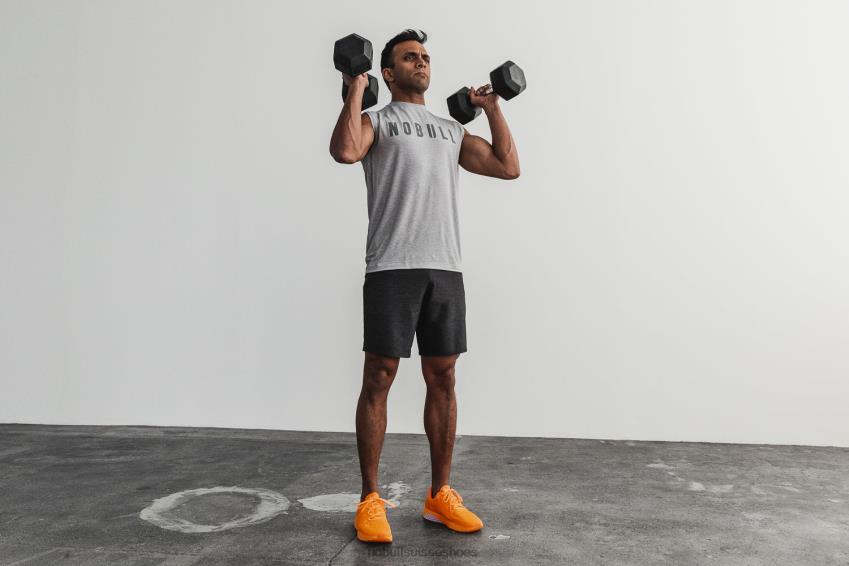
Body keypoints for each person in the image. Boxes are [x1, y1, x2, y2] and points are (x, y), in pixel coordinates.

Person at [328, 28, 520, 543]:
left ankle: (439, 495)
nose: (421, 62)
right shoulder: (377, 120)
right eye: (410, 57)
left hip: (445, 268)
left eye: (426, 57)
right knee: (379, 377)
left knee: (445, 378)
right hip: (392, 266)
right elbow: (345, 151)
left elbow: (508, 167)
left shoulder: (449, 129)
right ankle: (370, 499)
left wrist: (492, 107)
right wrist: (355, 87)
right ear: (387, 72)